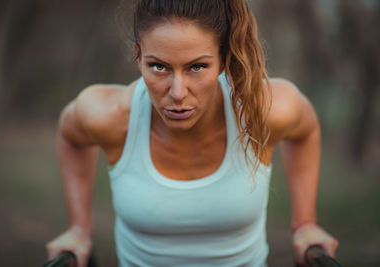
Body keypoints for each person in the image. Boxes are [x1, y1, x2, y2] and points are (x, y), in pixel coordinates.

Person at [46, 0, 339, 266]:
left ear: (223, 60)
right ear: (138, 57)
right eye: (158, 66)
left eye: (197, 67)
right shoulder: (106, 115)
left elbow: (306, 128)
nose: (177, 92)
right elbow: (70, 135)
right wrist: (79, 228)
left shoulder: (263, 112)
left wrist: (304, 223)